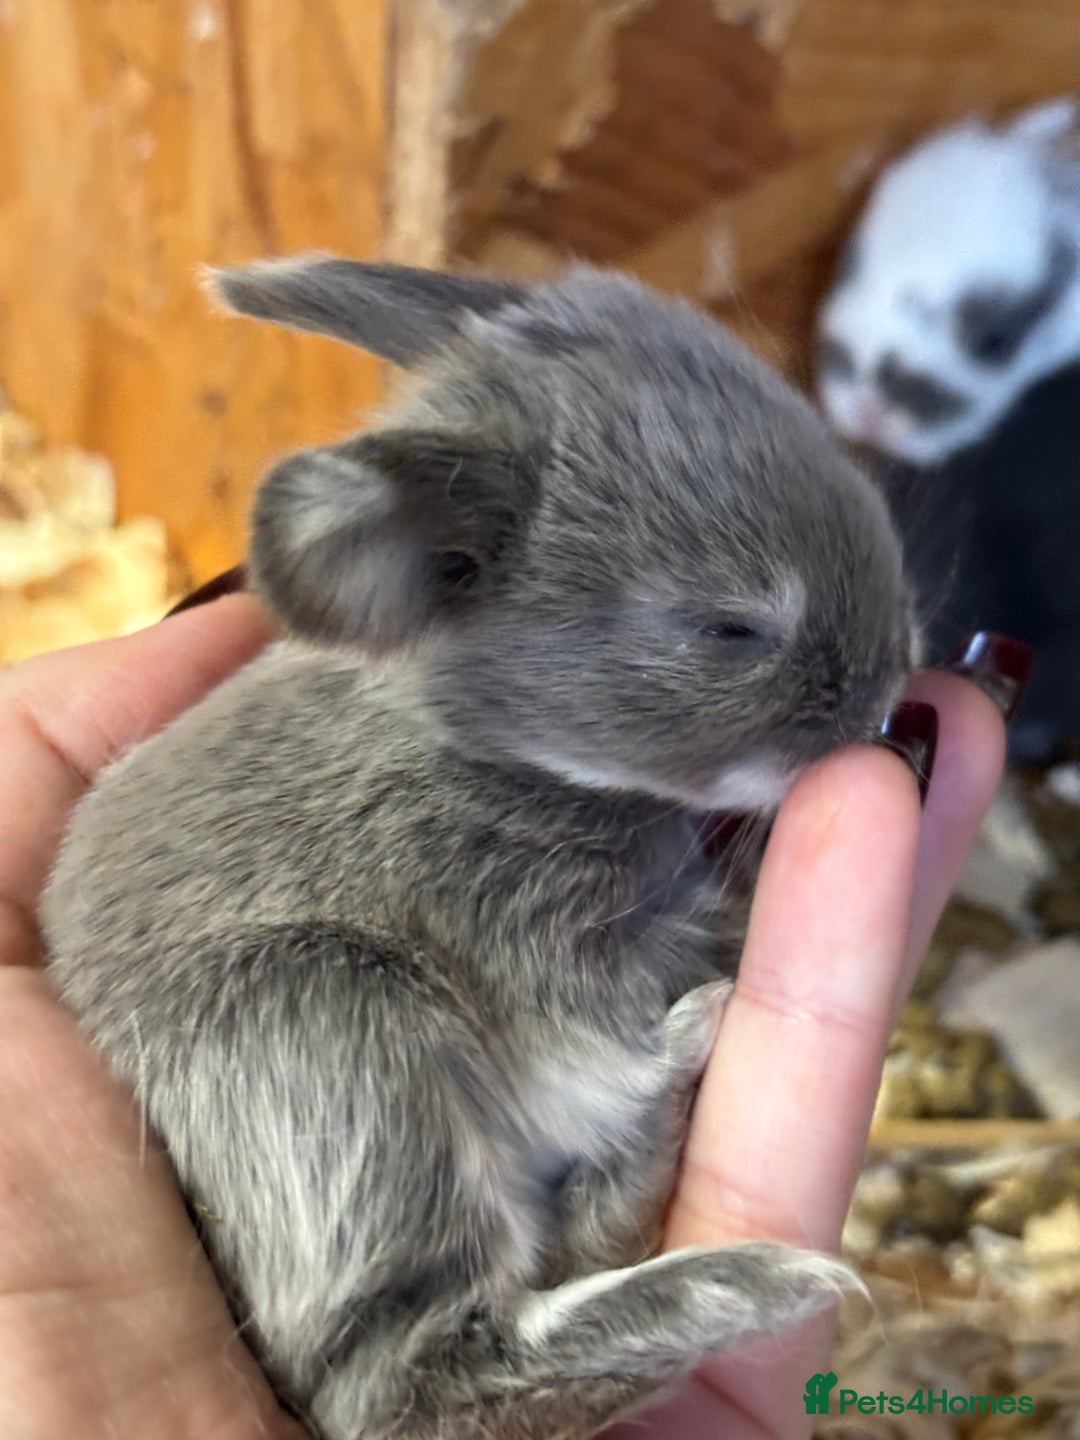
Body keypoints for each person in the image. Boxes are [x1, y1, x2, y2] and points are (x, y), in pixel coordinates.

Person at [0, 588, 1024, 1440]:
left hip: (430, 1083)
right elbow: (528, 957)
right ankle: (435, 1376)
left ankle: (557, 1252)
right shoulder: (482, 748)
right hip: (280, 1072)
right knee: (347, 1016)